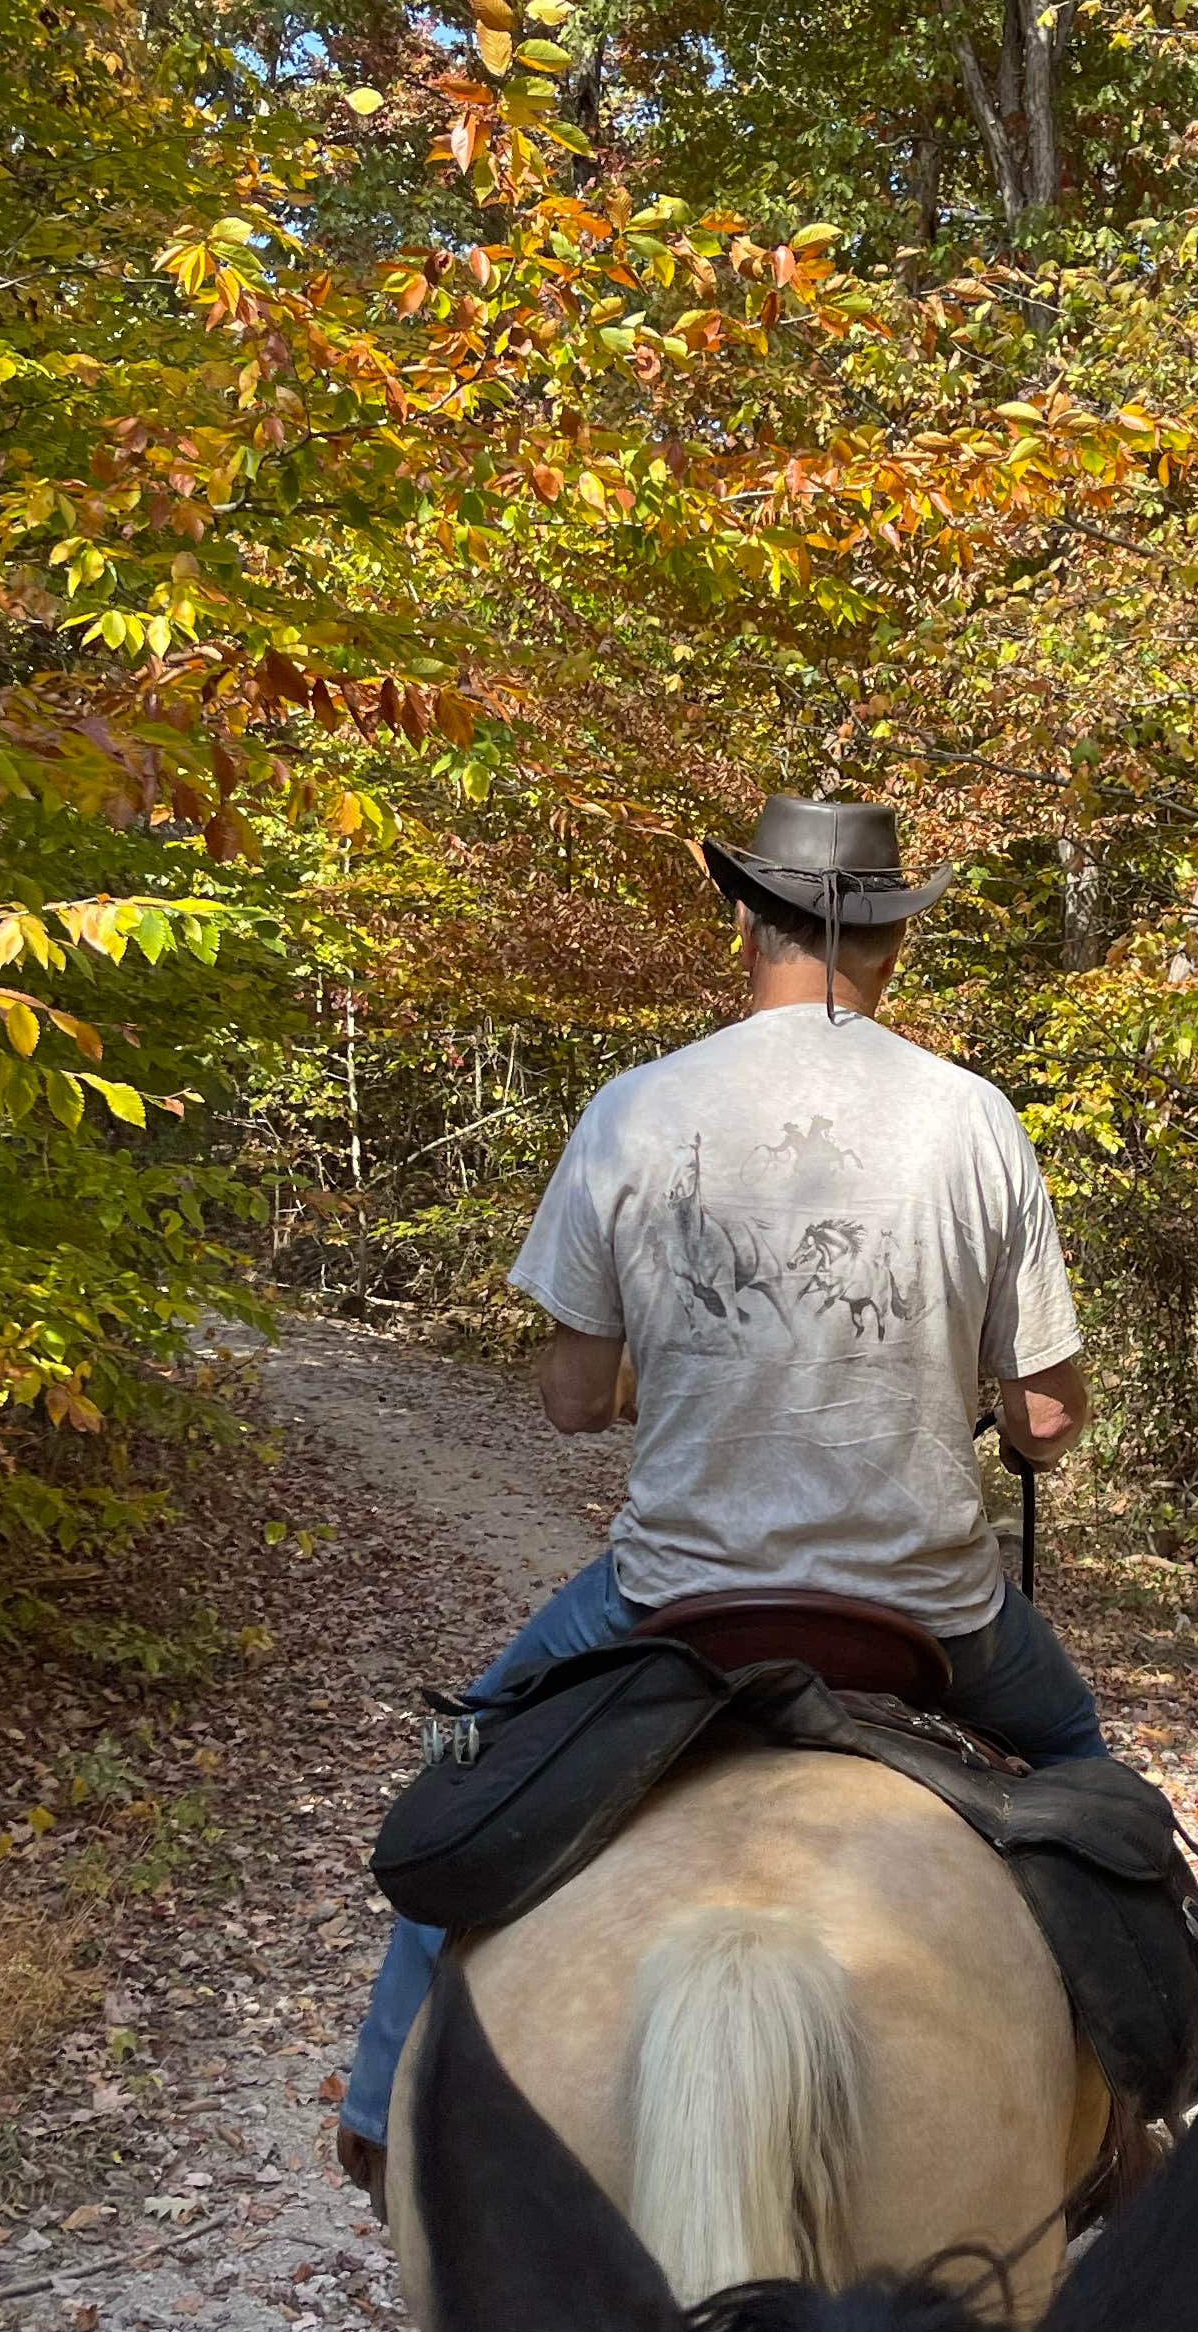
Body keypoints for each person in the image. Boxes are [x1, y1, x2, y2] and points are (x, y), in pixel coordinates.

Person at [335, 793, 1102, 2194]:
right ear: (890, 940)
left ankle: (381, 2108)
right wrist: (1010, 1424)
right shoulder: (974, 1118)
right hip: (925, 1608)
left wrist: (672, 1377)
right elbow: (1044, 1418)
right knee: (1080, 1765)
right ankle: (1133, 2101)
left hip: (678, 1600)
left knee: (475, 1761)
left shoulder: (635, 1112)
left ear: (744, 918)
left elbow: (572, 1401)